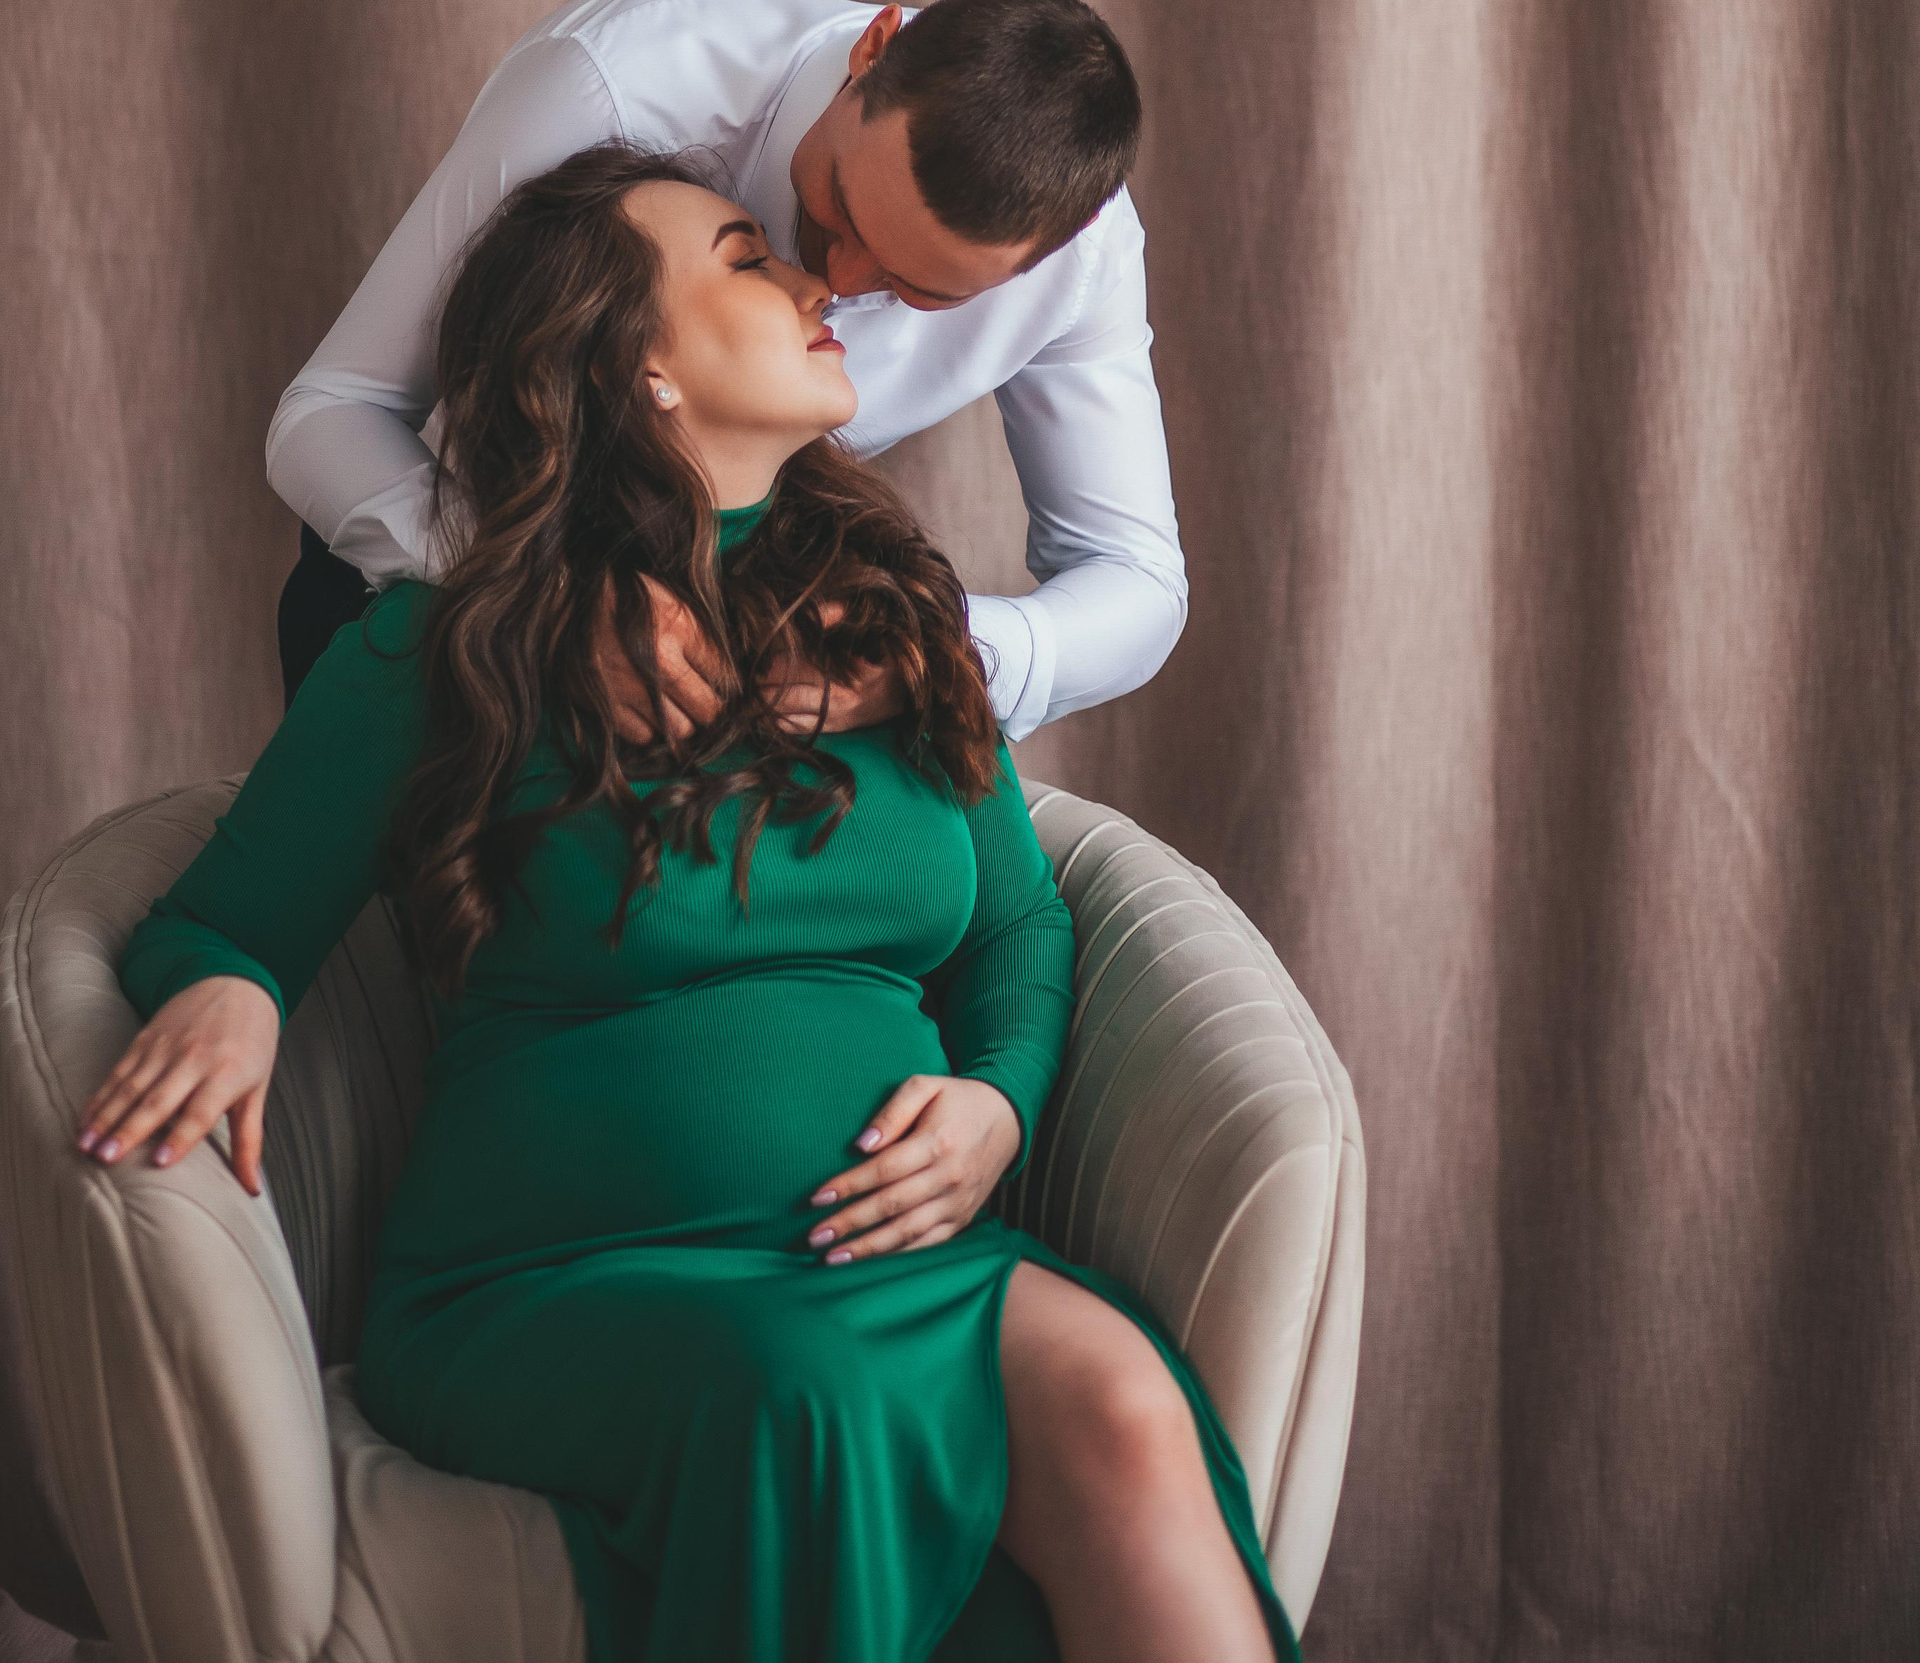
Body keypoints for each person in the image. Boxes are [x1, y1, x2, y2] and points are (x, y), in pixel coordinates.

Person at [77, 149, 1296, 1663]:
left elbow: (1018, 930)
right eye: (743, 255)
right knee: (807, 1403)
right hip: (556, 1282)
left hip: (889, 1264)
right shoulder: (448, 645)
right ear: (637, 366)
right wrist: (230, 984)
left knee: (1123, 1404)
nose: (811, 278)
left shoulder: (894, 616)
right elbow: (219, 918)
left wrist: (999, 1103)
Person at [268, 0, 1186, 738]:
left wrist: (925, 650)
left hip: (744, 659)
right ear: (872, 50)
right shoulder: (609, 86)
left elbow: (1136, 581)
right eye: (840, 208)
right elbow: (333, 411)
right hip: (437, 587)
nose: (835, 282)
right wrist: (553, 594)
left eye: (919, 290)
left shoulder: (1086, 264)